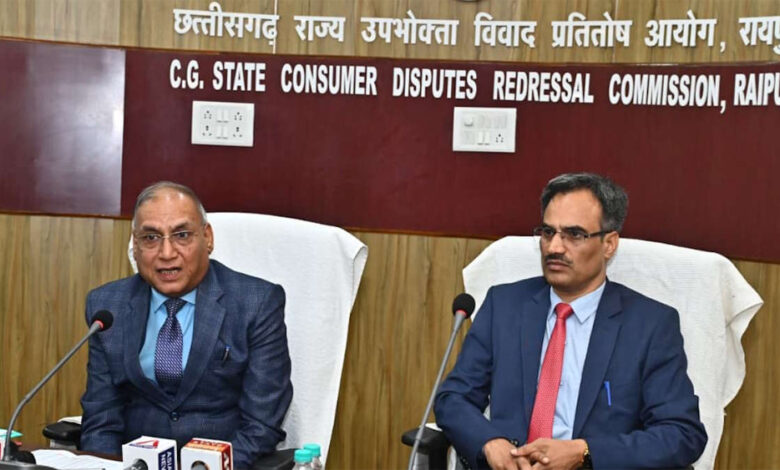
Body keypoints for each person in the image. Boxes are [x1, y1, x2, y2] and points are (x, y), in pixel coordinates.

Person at [434, 173, 707, 470]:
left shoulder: (650, 325)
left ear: (609, 244)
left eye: (574, 234)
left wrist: (584, 452)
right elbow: (453, 398)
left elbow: (681, 434)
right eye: (548, 232)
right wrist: (490, 442)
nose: (554, 247)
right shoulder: (505, 306)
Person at [80, 181, 292, 469]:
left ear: (207, 238)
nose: (167, 253)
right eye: (151, 238)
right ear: (136, 246)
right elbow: (101, 418)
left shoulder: (256, 303)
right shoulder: (107, 306)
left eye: (181, 235)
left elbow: (261, 424)